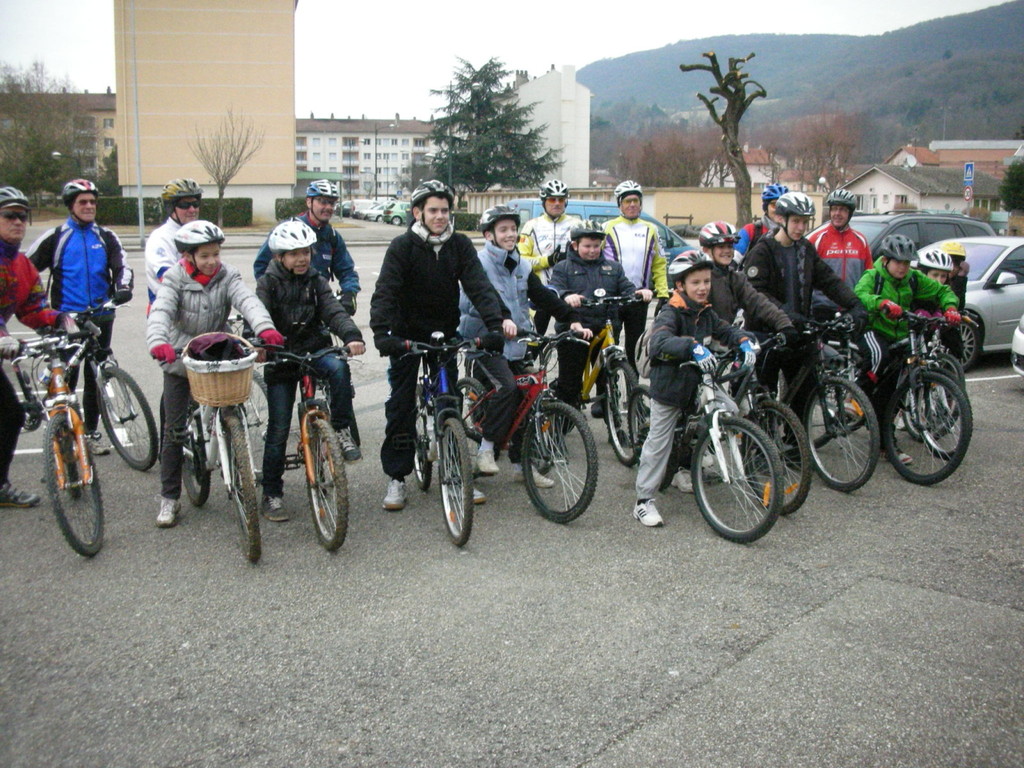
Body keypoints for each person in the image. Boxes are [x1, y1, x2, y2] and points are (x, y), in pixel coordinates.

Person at [369, 180, 507, 512]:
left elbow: (479, 286)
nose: (440, 216)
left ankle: (457, 471)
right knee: (401, 406)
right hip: (406, 336)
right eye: (433, 210)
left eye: (445, 210)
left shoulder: (459, 245)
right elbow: (385, 291)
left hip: (444, 333)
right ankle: (397, 477)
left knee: (449, 402)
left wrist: (495, 324)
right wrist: (382, 333)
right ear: (418, 212)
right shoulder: (402, 247)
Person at [146, 221, 284, 528]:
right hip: (181, 357)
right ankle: (169, 497)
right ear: (189, 256)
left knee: (230, 406)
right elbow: (161, 311)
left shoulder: (227, 275)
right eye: (204, 256)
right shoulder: (175, 278)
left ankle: (235, 455)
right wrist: (158, 342)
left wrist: (265, 327)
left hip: (217, 350)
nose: (212, 261)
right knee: (174, 430)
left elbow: (248, 301)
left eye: (216, 254)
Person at [458, 205, 590, 486]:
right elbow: (481, 298)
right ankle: (486, 449)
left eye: (513, 229)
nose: (510, 234)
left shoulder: (521, 264)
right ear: (489, 235)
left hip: (516, 342)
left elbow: (542, 296)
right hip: (486, 341)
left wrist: (572, 319)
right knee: (506, 388)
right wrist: (500, 319)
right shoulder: (477, 264)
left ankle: (522, 466)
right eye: (503, 229)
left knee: (529, 397)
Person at [632, 251, 755, 527]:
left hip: (700, 384)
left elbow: (725, 330)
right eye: (695, 282)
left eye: (706, 281)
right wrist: (691, 346)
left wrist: (744, 340)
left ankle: (688, 462)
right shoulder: (671, 312)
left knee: (730, 410)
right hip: (671, 386)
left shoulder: (706, 312)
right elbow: (659, 343)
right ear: (680, 285)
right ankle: (643, 501)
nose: (702, 288)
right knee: (659, 443)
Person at [256, 219, 365, 521]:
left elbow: (332, 309)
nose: (302, 258)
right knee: (278, 429)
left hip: (313, 349)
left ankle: (340, 430)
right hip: (281, 356)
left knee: (338, 368)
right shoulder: (268, 282)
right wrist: (260, 343)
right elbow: (258, 315)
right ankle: (272, 493)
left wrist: (351, 336)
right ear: (279, 257)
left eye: (306, 252)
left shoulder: (316, 280)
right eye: (294, 254)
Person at [27, 179, 134, 456]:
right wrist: (39, 307)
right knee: (68, 378)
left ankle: (90, 433)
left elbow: (122, 266)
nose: (89, 206)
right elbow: (25, 272)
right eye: (82, 202)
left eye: (92, 202)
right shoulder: (57, 237)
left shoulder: (106, 236)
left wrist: (123, 288)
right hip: (68, 319)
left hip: (101, 316)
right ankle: (63, 436)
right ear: (71, 206)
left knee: (97, 378)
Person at [742, 192, 868, 401]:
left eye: (805, 222)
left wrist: (855, 304)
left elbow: (829, 280)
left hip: (798, 334)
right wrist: (787, 315)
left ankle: (796, 424)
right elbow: (757, 293)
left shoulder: (805, 248)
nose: (801, 227)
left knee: (804, 396)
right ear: (781, 219)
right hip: (768, 336)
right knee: (764, 400)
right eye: (796, 221)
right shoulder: (762, 251)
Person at [853, 234, 960, 459]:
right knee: (879, 356)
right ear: (886, 260)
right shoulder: (874, 276)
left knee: (893, 392)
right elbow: (859, 295)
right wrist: (881, 302)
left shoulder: (913, 278)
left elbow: (942, 290)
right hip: (873, 330)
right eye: (898, 262)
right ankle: (857, 395)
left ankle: (885, 443)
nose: (903, 267)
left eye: (906, 262)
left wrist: (950, 308)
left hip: (901, 335)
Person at [0, 187, 74, 507]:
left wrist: (61, 319)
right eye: (10, 215)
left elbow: (32, 309)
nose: (18, 222)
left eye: (23, 216)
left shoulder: (21, 265)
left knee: (10, 415)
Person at [548, 221, 647, 411]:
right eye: (587, 246)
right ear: (575, 245)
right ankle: (567, 414)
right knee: (570, 381)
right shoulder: (563, 267)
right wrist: (567, 296)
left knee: (606, 373)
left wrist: (638, 293)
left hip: (604, 326)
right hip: (575, 328)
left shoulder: (613, 268)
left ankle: (607, 406)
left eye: (596, 246)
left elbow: (626, 287)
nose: (592, 250)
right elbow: (555, 288)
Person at [253, 179, 360, 317]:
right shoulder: (287, 230)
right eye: (323, 201)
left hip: (317, 304)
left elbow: (346, 270)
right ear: (309, 202)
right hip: (286, 307)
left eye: (332, 203)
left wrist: (350, 293)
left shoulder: (332, 236)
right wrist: (272, 294)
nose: (328, 207)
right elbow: (261, 265)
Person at [602, 180, 665, 377]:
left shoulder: (651, 229)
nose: (631, 205)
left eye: (635, 201)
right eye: (627, 201)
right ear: (619, 204)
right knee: (609, 347)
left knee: (635, 348)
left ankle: (633, 389)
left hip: (639, 298)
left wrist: (663, 293)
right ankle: (607, 389)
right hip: (612, 298)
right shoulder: (607, 227)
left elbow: (659, 263)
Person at [697, 221, 796, 341]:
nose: (727, 251)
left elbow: (758, 303)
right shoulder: (701, 281)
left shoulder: (735, 279)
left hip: (728, 339)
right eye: (721, 247)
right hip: (703, 342)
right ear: (706, 250)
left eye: (730, 246)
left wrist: (784, 323)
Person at [517, 179, 579, 335]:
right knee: (534, 340)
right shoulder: (531, 226)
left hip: (568, 291)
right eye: (552, 199)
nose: (557, 203)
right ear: (544, 202)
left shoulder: (577, 225)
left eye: (561, 199)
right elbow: (521, 260)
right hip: (540, 291)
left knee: (570, 339)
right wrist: (548, 260)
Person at [807, 189, 873, 319]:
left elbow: (869, 276)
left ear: (850, 213)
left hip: (852, 309)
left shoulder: (861, 241)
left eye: (842, 209)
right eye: (834, 209)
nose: (837, 213)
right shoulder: (816, 239)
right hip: (822, 309)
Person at [145, 178, 204, 309]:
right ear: (171, 208)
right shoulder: (160, 238)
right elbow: (168, 277)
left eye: (195, 204)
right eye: (184, 205)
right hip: (166, 311)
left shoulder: (200, 234)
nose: (192, 209)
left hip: (197, 310)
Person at [734, 183, 788, 260]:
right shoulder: (751, 230)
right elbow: (736, 257)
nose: (779, 210)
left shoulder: (793, 233)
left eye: (783, 206)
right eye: (774, 205)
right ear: (766, 208)